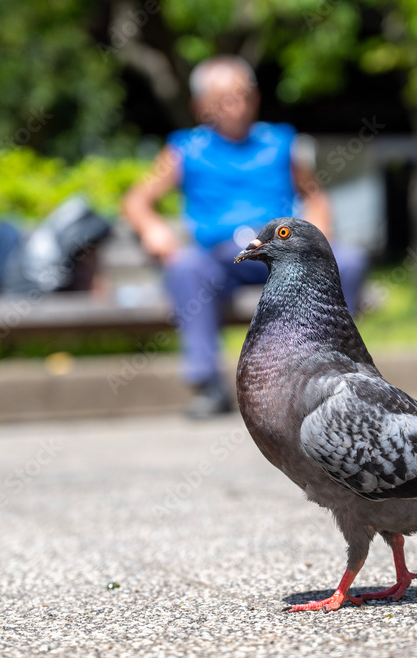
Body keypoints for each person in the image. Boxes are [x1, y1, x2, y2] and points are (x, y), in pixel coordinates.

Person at [123, 55, 368, 418]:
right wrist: (152, 227)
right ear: (200, 106)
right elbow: (136, 201)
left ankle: (332, 374)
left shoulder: (279, 142)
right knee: (185, 267)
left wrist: (320, 230)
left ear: (255, 99)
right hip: (224, 261)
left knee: (349, 259)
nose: (236, 107)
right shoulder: (184, 149)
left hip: (282, 255)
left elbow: (315, 195)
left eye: (243, 96)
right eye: (224, 99)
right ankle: (207, 384)